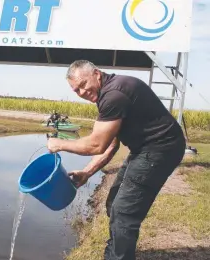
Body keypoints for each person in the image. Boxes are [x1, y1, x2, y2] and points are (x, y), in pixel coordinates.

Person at [47, 60, 186, 260]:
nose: (82, 92)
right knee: (114, 202)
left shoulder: (114, 94)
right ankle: (116, 251)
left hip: (161, 149)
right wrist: (86, 173)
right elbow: (111, 144)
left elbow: (96, 145)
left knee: (124, 212)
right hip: (145, 148)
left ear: (96, 73)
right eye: (76, 90)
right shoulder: (109, 92)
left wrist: (59, 144)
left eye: (83, 84)